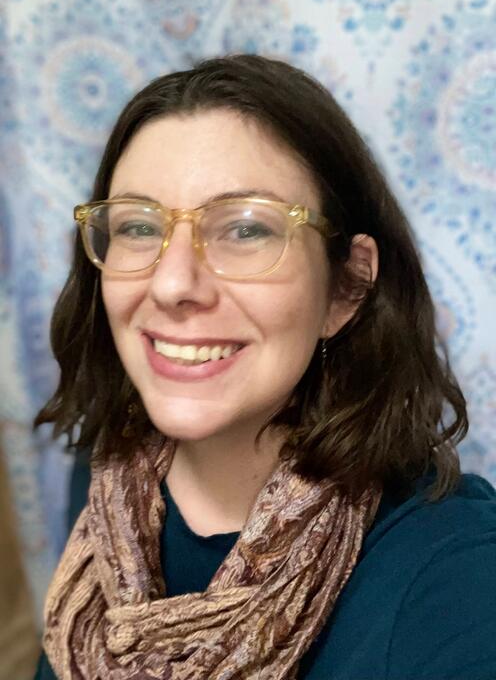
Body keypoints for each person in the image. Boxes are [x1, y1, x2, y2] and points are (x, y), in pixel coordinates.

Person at [34, 55, 496, 680]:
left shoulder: (450, 575)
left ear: (348, 287)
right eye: (139, 226)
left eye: (246, 229)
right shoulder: (103, 479)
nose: (172, 283)